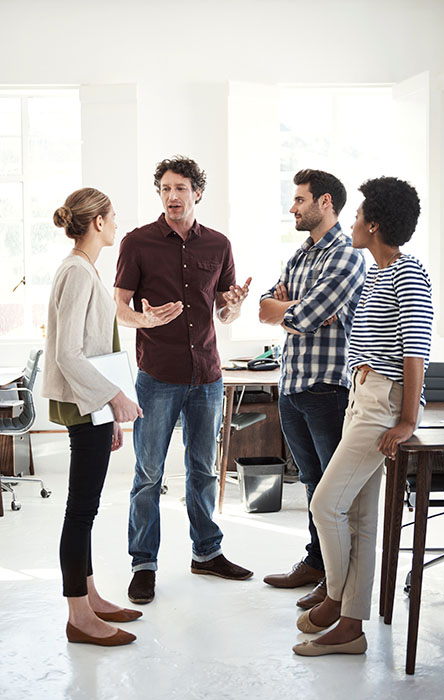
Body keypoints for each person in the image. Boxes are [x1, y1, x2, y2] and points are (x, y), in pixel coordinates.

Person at [293, 176, 433, 657]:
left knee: (324, 504)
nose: (351, 222)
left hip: (382, 404)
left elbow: (415, 352)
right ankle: (351, 626)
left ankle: (335, 600)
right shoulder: (377, 274)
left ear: (374, 225)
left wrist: (407, 420)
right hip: (362, 396)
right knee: (359, 517)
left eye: (357, 216)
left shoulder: (409, 273)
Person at [114, 156, 253, 605]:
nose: (172, 196)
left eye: (180, 188)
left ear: (197, 193)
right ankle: (143, 564)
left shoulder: (218, 245)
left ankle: (207, 552)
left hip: (208, 376)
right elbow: (120, 310)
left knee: (203, 471)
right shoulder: (137, 243)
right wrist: (145, 319)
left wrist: (235, 305)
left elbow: (225, 311)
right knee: (149, 474)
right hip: (158, 376)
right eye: (165, 189)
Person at [259, 169, 366, 608]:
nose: (292, 208)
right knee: (309, 483)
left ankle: (339, 583)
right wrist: (291, 308)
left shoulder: (345, 255)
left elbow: (299, 317)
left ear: (325, 202)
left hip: (327, 388)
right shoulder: (301, 255)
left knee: (333, 494)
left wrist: (290, 309)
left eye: (299, 200)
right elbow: (266, 309)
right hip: (291, 386)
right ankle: (316, 563)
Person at [42, 188, 143, 647]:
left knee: (86, 508)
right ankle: (78, 616)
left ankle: (90, 596)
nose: (117, 223)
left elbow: (92, 343)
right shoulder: (78, 272)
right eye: (113, 216)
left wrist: (106, 410)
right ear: (98, 223)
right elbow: (67, 353)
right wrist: (114, 398)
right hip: (86, 403)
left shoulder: (81, 269)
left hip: (90, 405)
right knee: (80, 511)